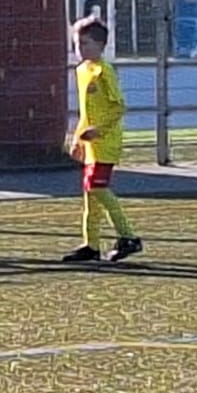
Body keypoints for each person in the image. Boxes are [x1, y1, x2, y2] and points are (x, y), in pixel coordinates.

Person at [63, 17, 143, 263]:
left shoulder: (104, 71)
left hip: (106, 141)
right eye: (77, 44)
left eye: (85, 43)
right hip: (90, 143)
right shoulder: (81, 71)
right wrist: (77, 139)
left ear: (100, 45)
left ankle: (129, 236)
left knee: (96, 187)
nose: (80, 49)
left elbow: (118, 107)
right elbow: (86, 112)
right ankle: (91, 245)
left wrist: (99, 130)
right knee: (90, 194)